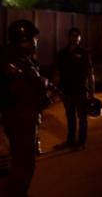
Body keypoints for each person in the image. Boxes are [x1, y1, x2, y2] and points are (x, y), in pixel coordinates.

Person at [0, 20, 48, 196]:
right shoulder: (14, 61)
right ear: (24, 39)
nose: (36, 42)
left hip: (22, 118)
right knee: (24, 163)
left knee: (20, 162)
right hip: (21, 119)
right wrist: (38, 85)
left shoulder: (22, 59)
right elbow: (16, 90)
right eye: (33, 38)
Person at [55, 28, 95, 149]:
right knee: (70, 117)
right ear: (68, 37)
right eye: (73, 35)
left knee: (82, 117)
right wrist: (55, 89)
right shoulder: (61, 54)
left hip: (81, 91)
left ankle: (81, 142)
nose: (76, 38)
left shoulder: (84, 53)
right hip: (66, 91)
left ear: (80, 38)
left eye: (78, 36)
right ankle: (70, 140)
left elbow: (90, 73)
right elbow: (57, 73)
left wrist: (92, 92)